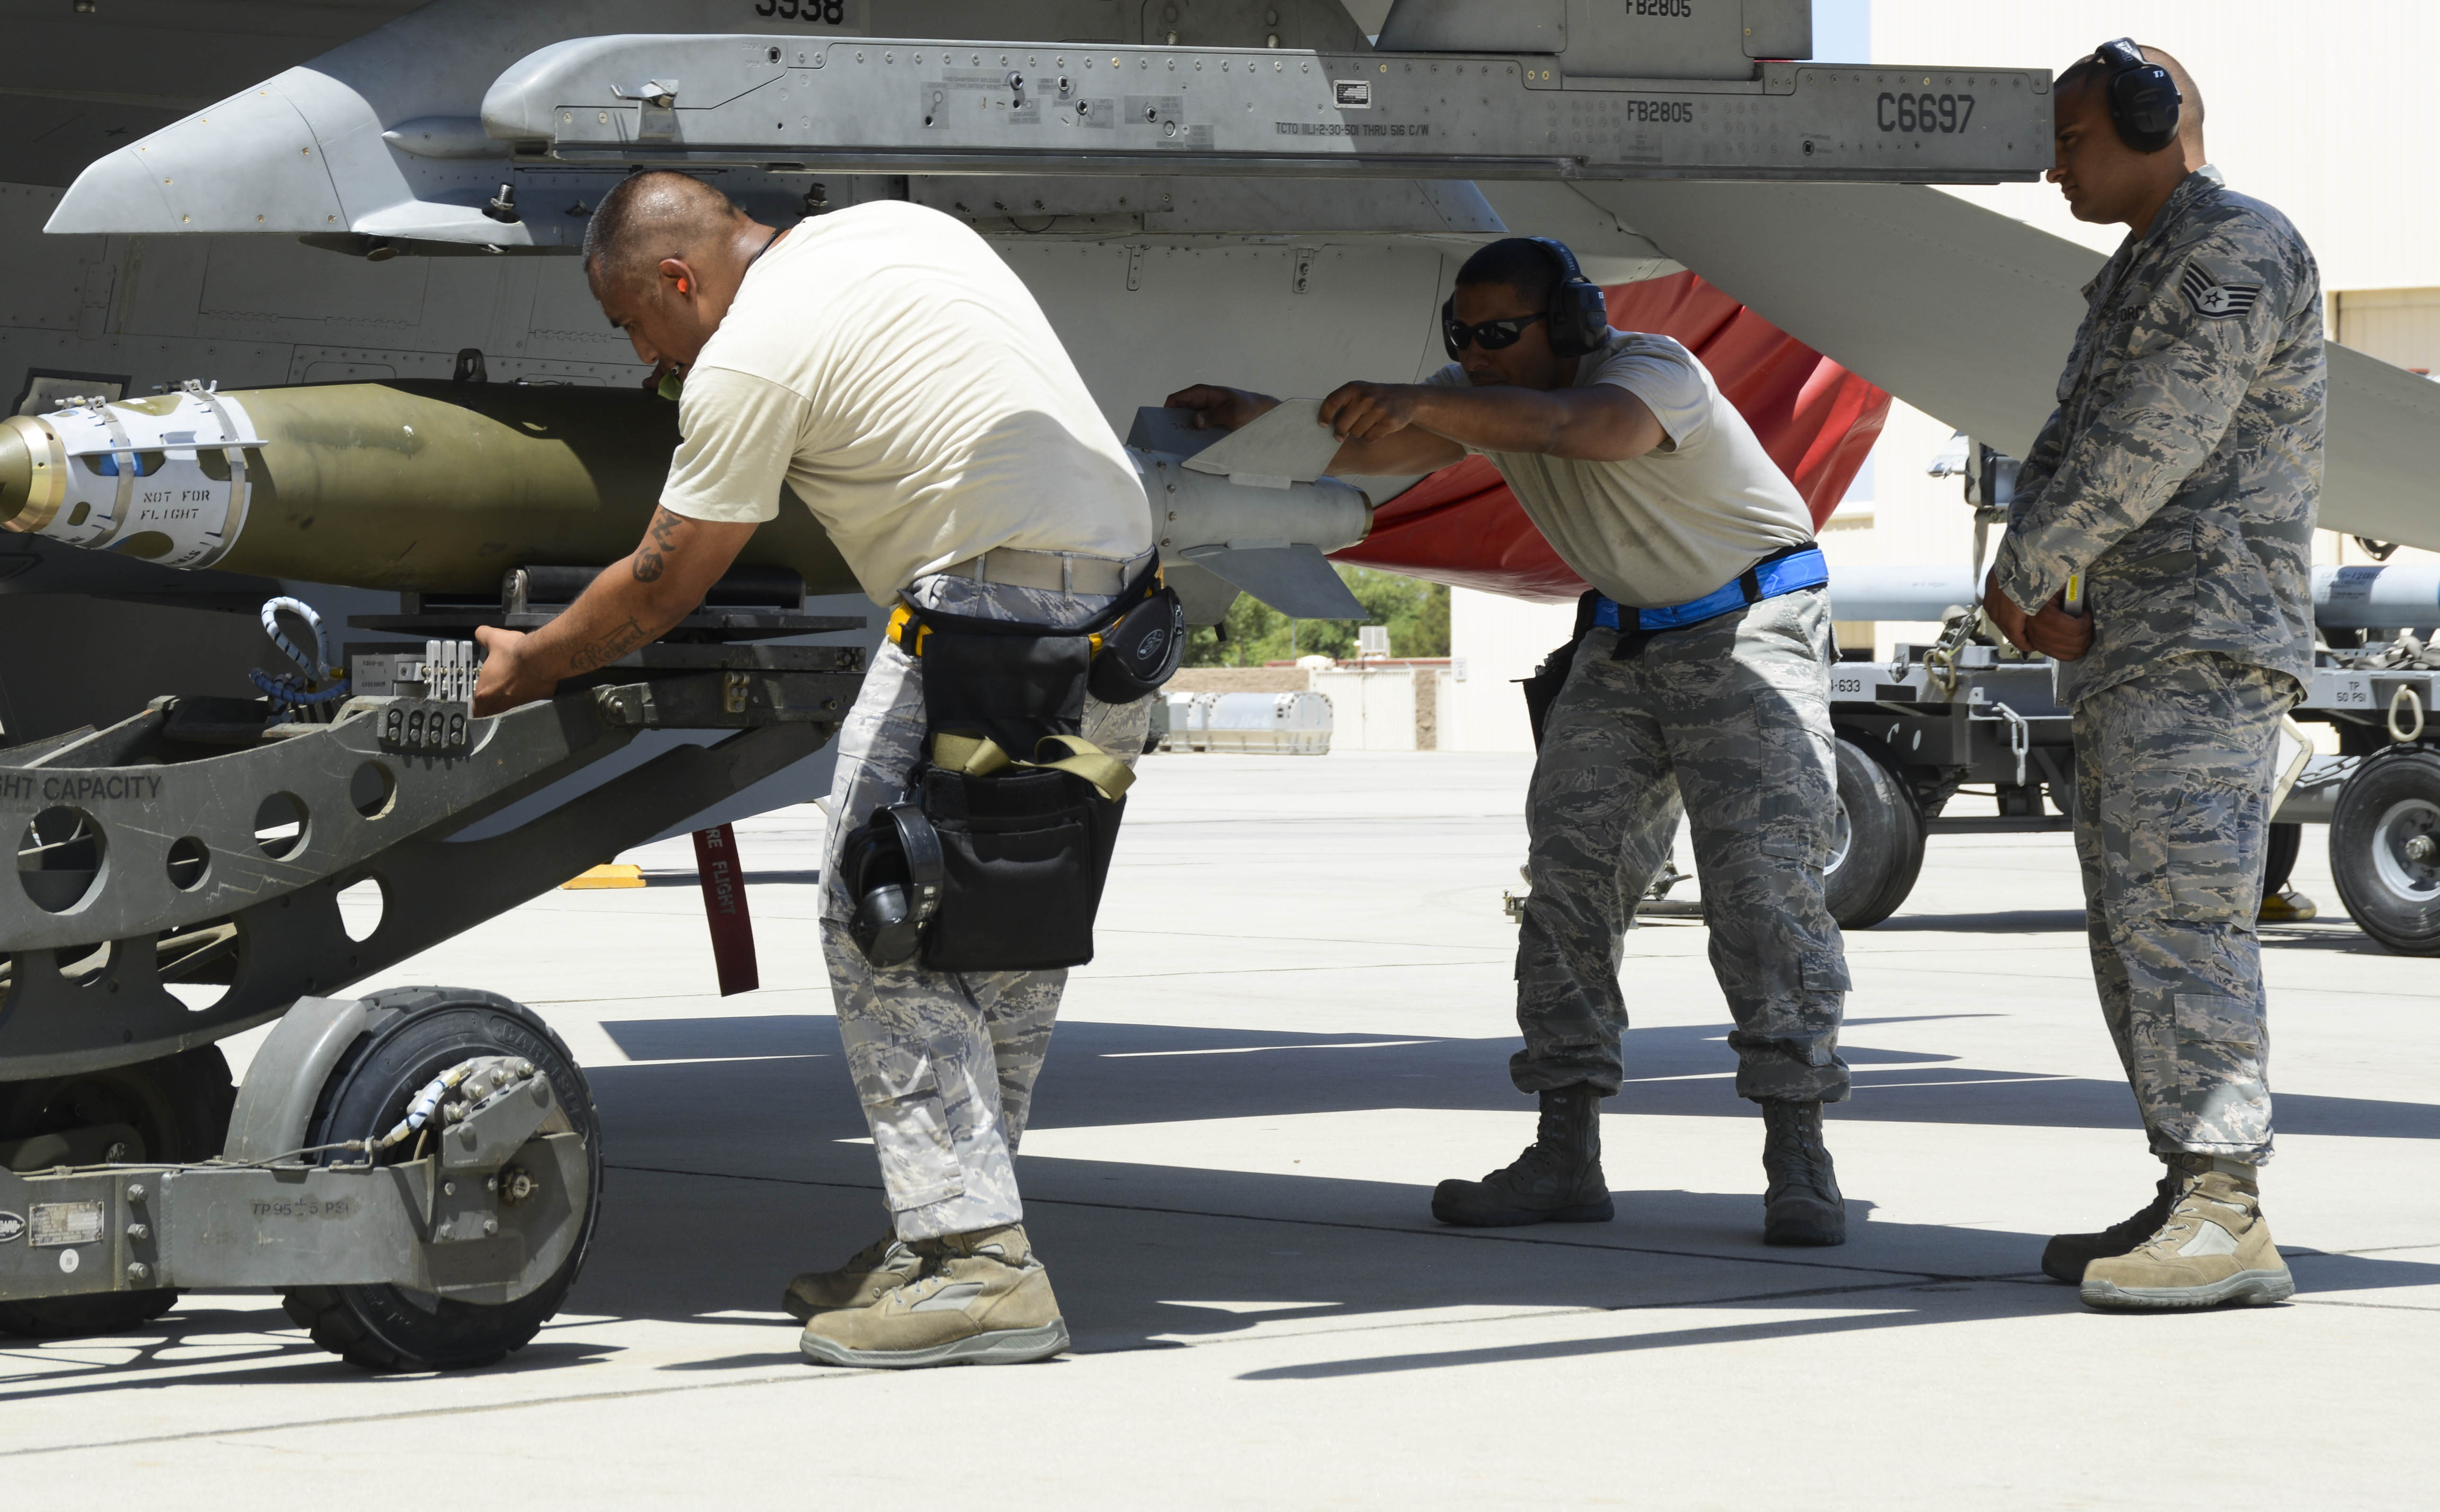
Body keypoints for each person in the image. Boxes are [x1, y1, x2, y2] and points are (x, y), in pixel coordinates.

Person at [469, 171, 1154, 1368]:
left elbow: (663, 582)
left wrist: (535, 660)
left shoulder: (748, 356)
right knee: (1002, 930)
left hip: (985, 617)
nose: (644, 355)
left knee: (881, 914)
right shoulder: (892, 230)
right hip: (1120, 619)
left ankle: (976, 1264)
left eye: (635, 321)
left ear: (679, 277)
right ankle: (949, 1239)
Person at [1172, 233, 1855, 1245]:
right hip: (1621, 640)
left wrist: (1424, 399)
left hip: (1747, 630)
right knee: (1568, 887)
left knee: (1761, 888)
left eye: (1498, 333)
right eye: (1461, 335)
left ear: (1572, 321)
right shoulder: (1478, 396)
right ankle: (1563, 1152)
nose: (1475, 354)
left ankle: (1797, 1152)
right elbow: (1379, 451)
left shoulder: (1651, 371)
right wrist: (1257, 422)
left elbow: (1585, 428)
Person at [1982, 40, 2321, 1313]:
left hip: (2202, 645)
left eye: (2072, 139)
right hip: (2139, 643)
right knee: (2134, 930)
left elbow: (2148, 437)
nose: (2054, 166)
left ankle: (2226, 1207)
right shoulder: (2143, 262)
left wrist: (2028, 566)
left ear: (2150, 121)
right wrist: (2052, 580)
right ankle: (2189, 1178)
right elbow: (2068, 441)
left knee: (2182, 921)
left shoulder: (2234, 248)